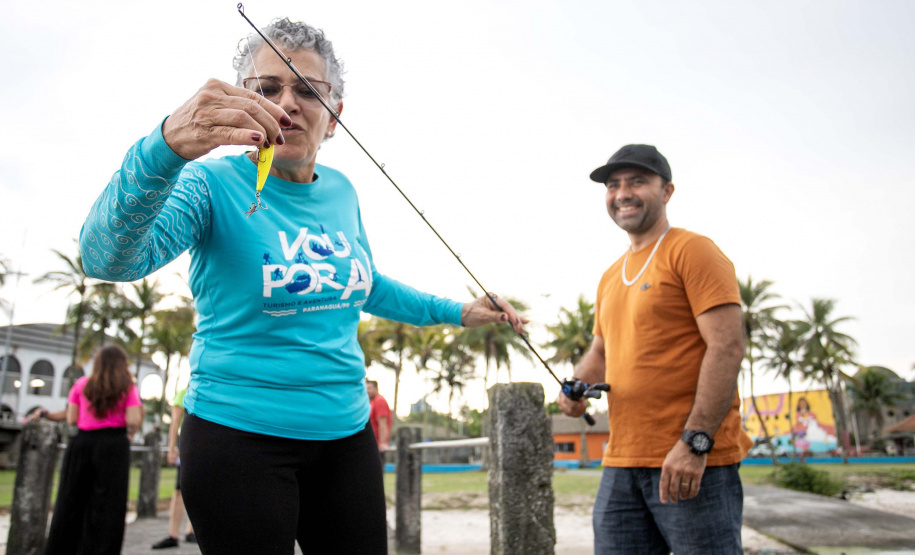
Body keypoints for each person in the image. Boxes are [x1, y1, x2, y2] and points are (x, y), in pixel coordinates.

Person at [79, 16, 525, 555]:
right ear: (241, 102)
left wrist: (461, 311)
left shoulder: (342, 190)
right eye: (266, 89)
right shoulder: (208, 183)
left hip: (345, 436)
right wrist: (164, 147)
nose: (286, 104)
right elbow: (106, 258)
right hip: (235, 436)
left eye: (308, 90)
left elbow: (365, 285)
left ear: (335, 116)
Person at [558, 144, 752, 554]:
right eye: (613, 185)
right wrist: (575, 387)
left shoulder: (693, 250)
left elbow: (727, 347)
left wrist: (695, 442)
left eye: (637, 182)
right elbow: (601, 352)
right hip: (622, 460)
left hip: (690, 460)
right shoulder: (610, 276)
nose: (622, 193)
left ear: (667, 192)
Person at [41, 345, 143, 555]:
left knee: (71, 501)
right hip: (114, 446)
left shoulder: (82, 385)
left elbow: (71, 418)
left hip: (82, 444)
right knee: (109, 505)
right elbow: (133, 418)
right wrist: (131, 432)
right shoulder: (127, 387)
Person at [151, 387, 196, 549]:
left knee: (199, 490)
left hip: (201, 447)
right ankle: (173, 534)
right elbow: (175, 423)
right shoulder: (184, 393)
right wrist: (171, 448)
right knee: (179, 490)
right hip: (186, 447)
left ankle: (191, 531)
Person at [366, 380, 392, 453]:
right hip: (371, 443)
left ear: (376, 389)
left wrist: (382, 443)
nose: (367, 391)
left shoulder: (379, 400)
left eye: (369, 388)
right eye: (366, 389)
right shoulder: (371, 402)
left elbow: (383, 423)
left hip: (378, 445)